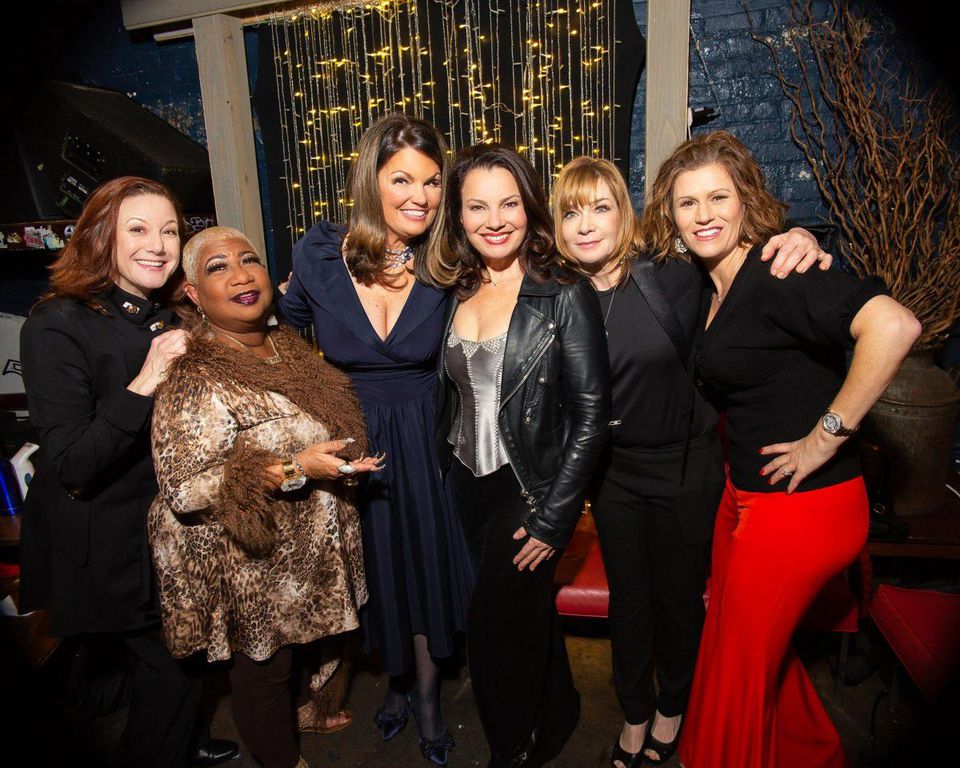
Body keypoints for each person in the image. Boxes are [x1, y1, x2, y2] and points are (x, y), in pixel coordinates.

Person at [638, 131, 920, 768]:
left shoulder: (779, 270)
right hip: (745, 496)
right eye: (687, 203)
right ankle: (810, 753)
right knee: (740, 648)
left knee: (737, 668)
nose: (704, 214)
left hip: (804, 505)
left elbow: (894, 325)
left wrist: (825, 438)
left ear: (746, 200)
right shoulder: (709, 285)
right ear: (670, 216)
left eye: (719, 197)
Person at [550, 157, 833, 768]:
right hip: (612, 474)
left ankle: (673, 708)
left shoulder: (673, 276)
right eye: (571, 212)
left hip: (685, 467)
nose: (586, 224)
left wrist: (800, 237)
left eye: (601, 208)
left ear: (625, 215)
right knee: (629, 601)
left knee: (679, 601)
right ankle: (634, 711)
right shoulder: (555, 295)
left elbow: (743, 257)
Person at [278, 114, 473, 766]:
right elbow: (282, 338)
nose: (420, 196)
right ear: (371, 180)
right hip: (351, 445)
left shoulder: (450, 262)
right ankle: (394, 683)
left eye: (432, 181)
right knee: (376, 574)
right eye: (402, 179)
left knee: (424, 571)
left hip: (424, 441)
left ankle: (427, 699)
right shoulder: (318, 256)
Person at [148, 226, 381, 768]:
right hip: (251, 560)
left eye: (249, 259)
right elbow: (184, 487)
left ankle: (305, 711)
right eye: (218, 267)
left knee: (300, 650)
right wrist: (297, 467)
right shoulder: (194, 373)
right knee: (264, 670)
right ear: (192, 293)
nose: (240, 275)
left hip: (307, 552)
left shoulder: (287, 346)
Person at [427, 143, 611, 768]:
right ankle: (556, 715)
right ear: (458, 215)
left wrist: (555, 517)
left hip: (527, 485)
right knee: (527, 611)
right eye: (477, 206)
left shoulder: (562, 293)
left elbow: (591, 417)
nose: (494, 220)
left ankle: (509, 749)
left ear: (529, 208)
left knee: (492, 627)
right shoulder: (452, 289)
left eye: (508, 203)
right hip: (464, 484)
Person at [18, 177, 213, 767]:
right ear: (102, 237)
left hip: (161, 528)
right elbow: (72, 460)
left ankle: (175, 741)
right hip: (102, 539)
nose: (157, 245)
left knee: (169, 669)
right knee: (174, 665)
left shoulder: (166, 314)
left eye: (169, 231)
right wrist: (147, 379)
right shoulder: (56, 324)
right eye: (138, 229)